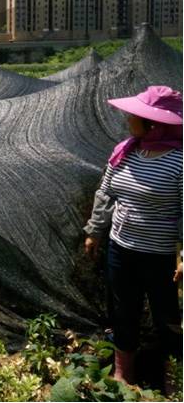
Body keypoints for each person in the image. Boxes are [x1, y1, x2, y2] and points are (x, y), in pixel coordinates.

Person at [84, 85, 182, 385]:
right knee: (123, 310)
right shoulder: (126, 151)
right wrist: (95, 231)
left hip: (159, 255)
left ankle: (171, 373)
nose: (128, 119)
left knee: (166, 315)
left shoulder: (179, 162)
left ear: (154, 124)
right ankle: (123, 372)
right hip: (120, 248)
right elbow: (105, 193)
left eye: (135, 115)